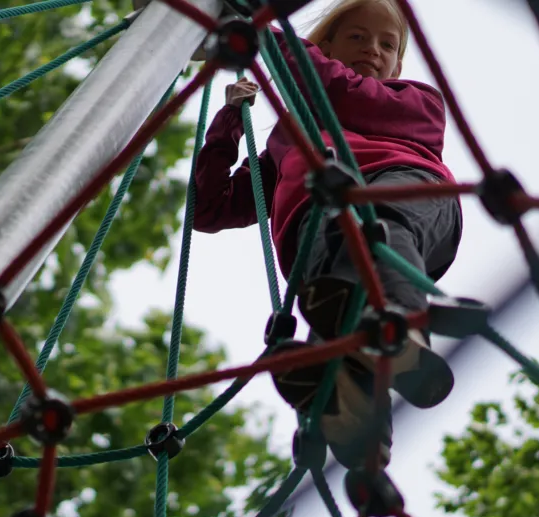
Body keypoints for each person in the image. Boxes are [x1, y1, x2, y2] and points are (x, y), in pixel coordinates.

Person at [192, 0, 463, 469]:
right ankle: (357, 420)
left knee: (376, 230)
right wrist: (231, 120)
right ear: (328, 46)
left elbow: (338, 89)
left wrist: (264, 36)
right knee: (334, 299)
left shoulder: (418, 103)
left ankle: (401, 326)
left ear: (398, 63)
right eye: (357, 37)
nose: (373, 51)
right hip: (316, 225)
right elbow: (209, 208)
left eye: (387, 44)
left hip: (408, 190)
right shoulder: (288, 141)